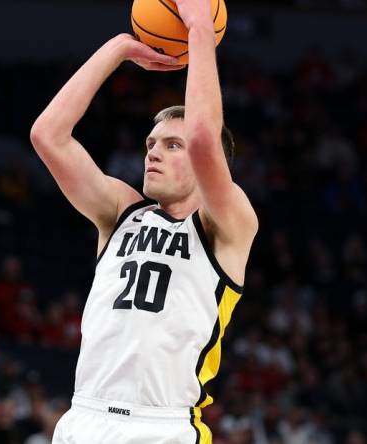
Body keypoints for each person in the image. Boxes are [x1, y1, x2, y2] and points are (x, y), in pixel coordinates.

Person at [29, 0, 258, 441]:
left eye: (172, 145)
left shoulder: (228, 223)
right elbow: (47, 135)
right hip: (84, 416)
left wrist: (198, 28)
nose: (152, 151)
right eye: (151, 143)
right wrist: (117, 49)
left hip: (162, 426)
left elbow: (205, 139)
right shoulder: (121, 212)